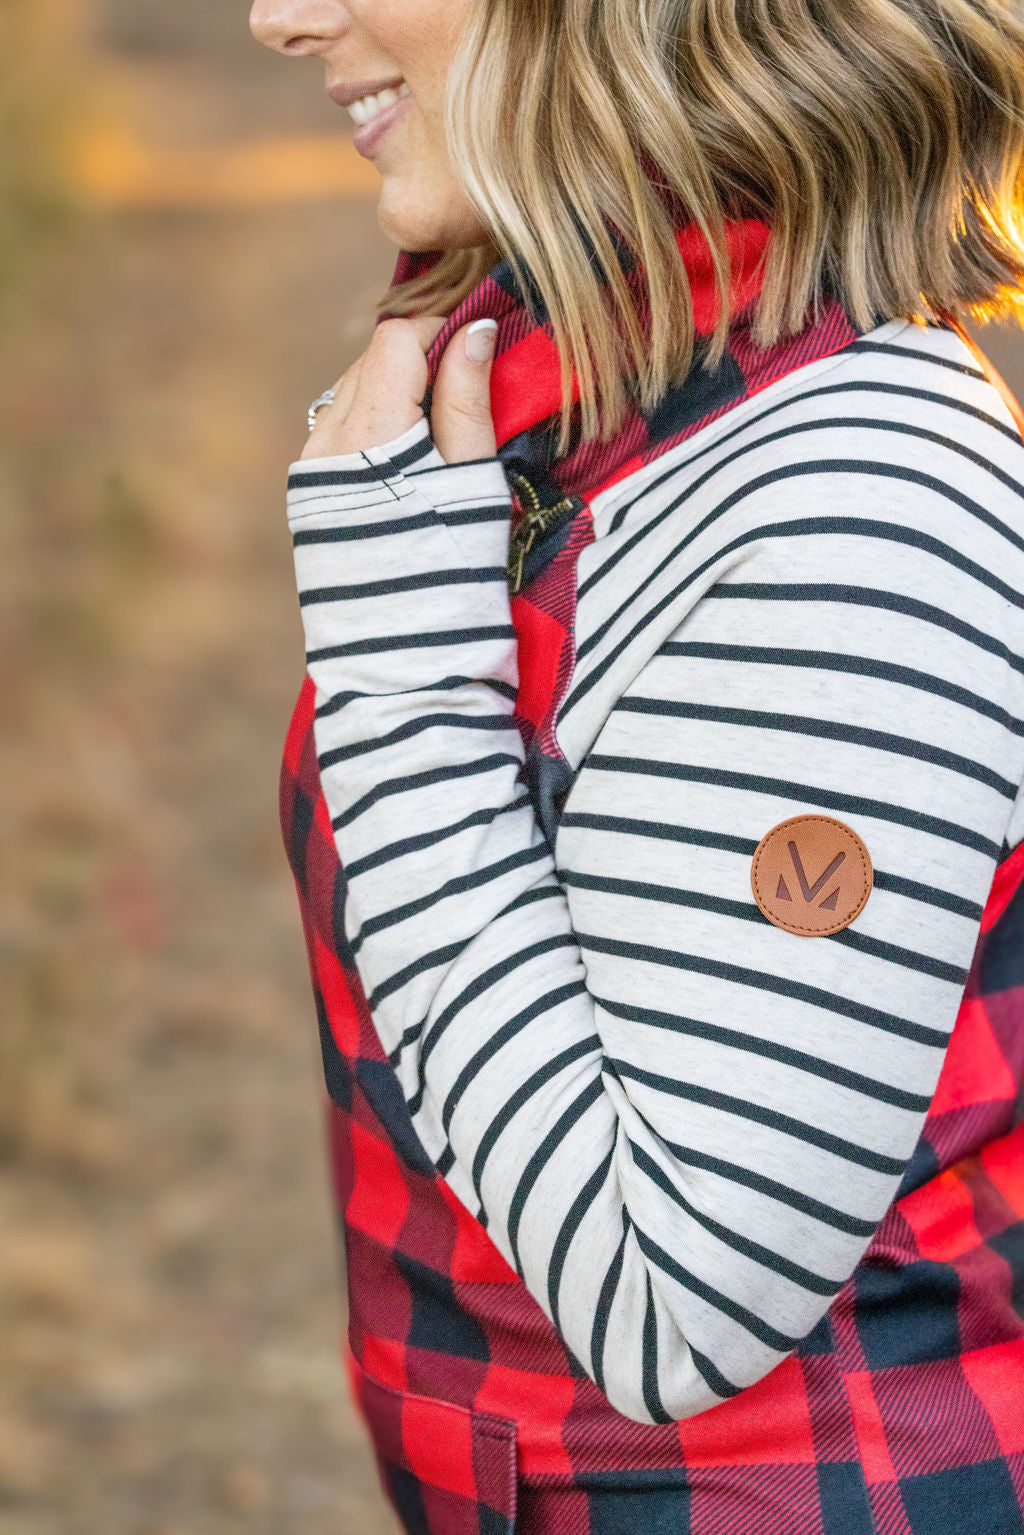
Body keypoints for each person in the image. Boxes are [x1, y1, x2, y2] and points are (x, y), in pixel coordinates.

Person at [251, 1, 1024, 1530]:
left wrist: (405, 687)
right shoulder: (598, 396)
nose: (282, 16)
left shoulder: (850, 502)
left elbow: (672, 1305)